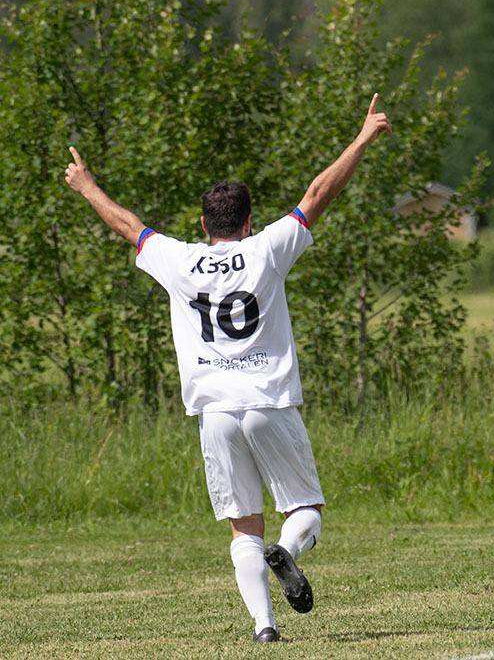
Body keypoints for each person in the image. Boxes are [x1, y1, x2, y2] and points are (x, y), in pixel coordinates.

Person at [65, 95, 392, 641]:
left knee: (243, 525)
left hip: (214, 410)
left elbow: (130, 226)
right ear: (248, 219)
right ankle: (286, 553)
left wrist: (87, 186)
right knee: (305, 507)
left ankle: (264, 628)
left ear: (203, 223)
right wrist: (362, 138)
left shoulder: (179, 259)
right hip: (268, 401)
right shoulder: (267, 249)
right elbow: (318, 193)